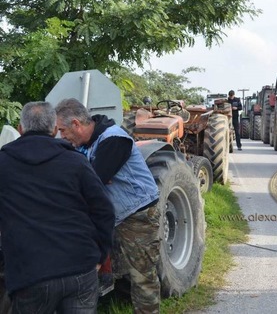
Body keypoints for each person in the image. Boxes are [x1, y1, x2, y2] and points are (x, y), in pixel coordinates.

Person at [0, 101, 115, 313]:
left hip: (30, 274)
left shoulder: (3, 163)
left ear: (20, 129)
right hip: (80, 268)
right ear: (54, 130)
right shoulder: (76, 161)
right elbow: (104, 210)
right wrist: (100, 254)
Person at [55, 98, 161, 313]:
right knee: (123, 272)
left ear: (76, 124)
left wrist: (91, 177)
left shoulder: (114, 139)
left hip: (137, 217)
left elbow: (91, 185)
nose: (62, 136)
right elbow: (91, 180)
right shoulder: (90, 144)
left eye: (63, 130)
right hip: (117, 216)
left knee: (142, 277)